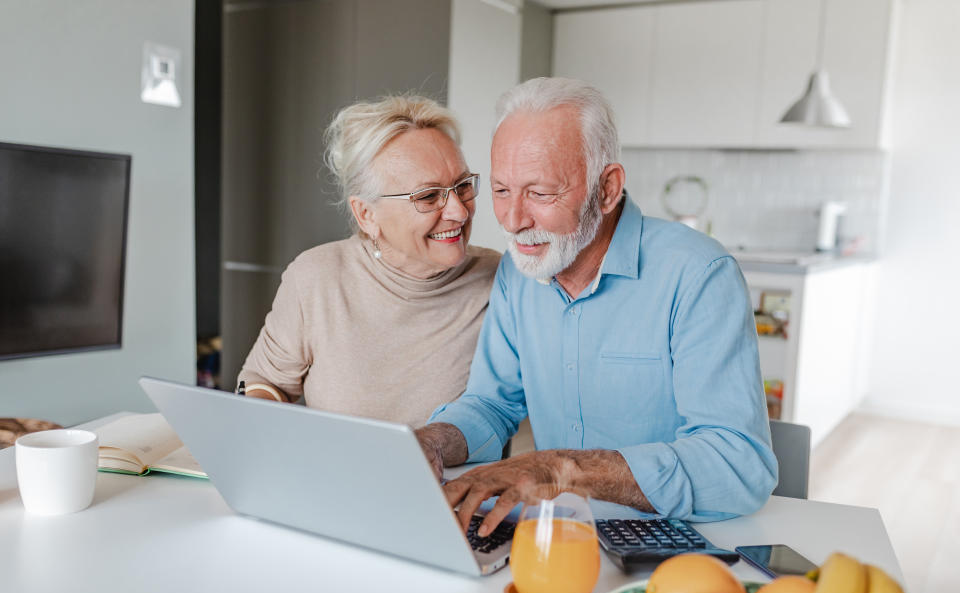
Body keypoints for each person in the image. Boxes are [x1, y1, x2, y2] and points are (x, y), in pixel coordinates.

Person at [416, 78, 777, 537]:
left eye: (541, 193)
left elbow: (738, 466)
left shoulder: (699, 274)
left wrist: (563, 469)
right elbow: (491, 404)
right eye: (502, 191)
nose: (513, 221)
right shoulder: (519, 271)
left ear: (607, 188)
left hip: (675, 539)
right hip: (560, 539)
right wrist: (433, 440)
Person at [238, 95, 500, 428]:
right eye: (428, 196)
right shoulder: (316, 277)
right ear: (366, 214)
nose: (459, 212)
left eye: (462, 186)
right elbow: (265, 380)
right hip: (336, 476)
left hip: (449, 481)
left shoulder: (499, 283)